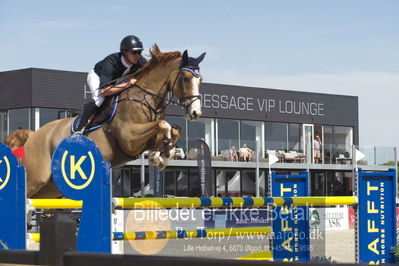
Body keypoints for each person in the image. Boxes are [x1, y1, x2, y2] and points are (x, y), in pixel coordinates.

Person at [76, 35, 147, 133]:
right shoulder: (111, 62)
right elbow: (103, 91)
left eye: (139, 52)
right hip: (97, 77)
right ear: (125, 52)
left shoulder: (140, 61)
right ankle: (79, 128)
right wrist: (127, 84)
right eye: (134, 52)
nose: (137, 55)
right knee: (99, 99)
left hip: (115, 81)